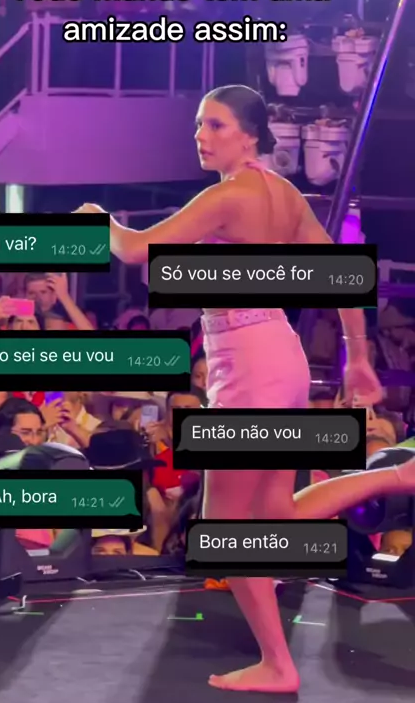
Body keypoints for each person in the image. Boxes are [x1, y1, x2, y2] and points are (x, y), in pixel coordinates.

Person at [74, 84, 415, 694]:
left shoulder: (230, 195)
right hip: (277, 357)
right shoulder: (284, 195)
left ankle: (278, 665)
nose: (201, 136)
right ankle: (398, 475)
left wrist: (103, 221)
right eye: (199, 124)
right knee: (277, 513)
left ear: (250, 134)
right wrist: (358, 357)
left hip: (252, 365)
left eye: (216, 125)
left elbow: (136, 250)